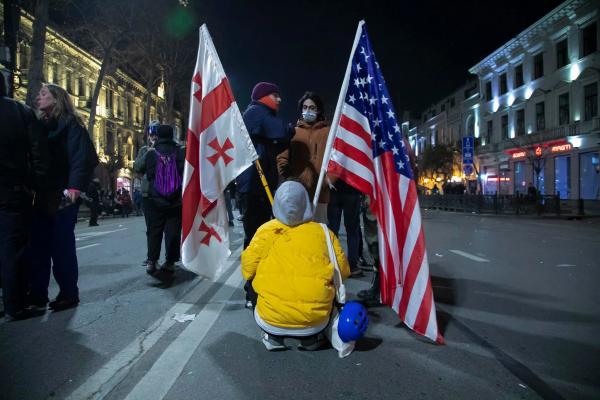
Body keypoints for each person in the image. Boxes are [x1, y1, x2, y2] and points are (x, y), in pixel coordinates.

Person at [241, 180, 350, 351]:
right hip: (315, 321)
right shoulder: (323, 232)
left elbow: (247, 270)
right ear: (306, 203)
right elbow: (342, 271)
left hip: (270, 319)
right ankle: (310, 339)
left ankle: (273, 337)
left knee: (252, 280)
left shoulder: (266, 230)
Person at [28, 83, 98, 312]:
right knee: (38, 246)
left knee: (61, 246)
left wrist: (74, 187)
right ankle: (37, 294)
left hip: (63, 195)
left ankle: (69, 293)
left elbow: (81, 158)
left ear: (57, 99)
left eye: (44, 94)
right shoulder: (39, 125)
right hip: (41, 193)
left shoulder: (71, 125)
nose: (39, 97)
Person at [0, 71, 49, 321]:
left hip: (13, 189)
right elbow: (38, 151)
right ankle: (14, 305)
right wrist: (34, 184)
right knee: (13, 249)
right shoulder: (19, 111)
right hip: (12, 190)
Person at [236, 82, 292, 249]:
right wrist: (287, 130)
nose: (279, 99)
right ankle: (252, 273)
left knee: (261, 233)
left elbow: (279, 141)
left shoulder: (262, 114)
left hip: (259, 183)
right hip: (254, 184)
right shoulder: (256, 112)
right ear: (263, 97)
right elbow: (283, 131)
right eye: (275, 96)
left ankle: (258, 270)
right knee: (256, 235)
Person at [135, 124, 184, 275]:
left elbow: (138, 168)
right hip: (175, 199)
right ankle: (170, 262)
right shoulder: (181, 152)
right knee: (173, 231)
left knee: (154, 231)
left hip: (153, 199)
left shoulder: (150, 153)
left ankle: (151, 261)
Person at [277, 91, 332, 223]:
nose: (308, 110)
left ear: (318, 110)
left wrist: (327, 182)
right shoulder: (294, 132)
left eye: (312, 108)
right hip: (298, 196)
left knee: (319, 234)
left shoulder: (329, 132)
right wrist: (291, 180)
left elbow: (336, 160)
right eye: (305, 107)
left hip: (321, 196)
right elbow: (282, 158)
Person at [134, 122, 159, 265]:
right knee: (150, 228)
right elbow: (137, 166)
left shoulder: (166, 148)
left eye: (155, 134)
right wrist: (149, 153)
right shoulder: (145, 150)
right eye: (151, 134)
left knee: (166, 228)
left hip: (164, 193)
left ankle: (170, 259)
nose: (153, 137)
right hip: (148, 193)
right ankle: (151, 258)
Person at [327, 180, 364, 277]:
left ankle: (333, 261)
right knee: (352, 231)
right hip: (352, 190)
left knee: (332, 230)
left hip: (334, 189)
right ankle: (353, 265)